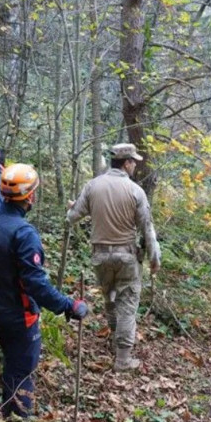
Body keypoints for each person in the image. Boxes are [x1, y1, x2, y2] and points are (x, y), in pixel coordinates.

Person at [0, 152, 89, 422]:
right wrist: (68, 305)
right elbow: (35, 284)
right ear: (31, 197)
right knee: (22, 374)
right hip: (16, 316)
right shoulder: (24, 234)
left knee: (13, 366)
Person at [66, 143, 161, 371]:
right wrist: (154, 258)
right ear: (126, 163)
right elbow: (146, 228)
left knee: (110, 299)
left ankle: (114, 341)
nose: (135, 166)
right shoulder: (135, 191)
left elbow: (72, 217)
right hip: (126, 257)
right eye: (133, 162)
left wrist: (75, 207)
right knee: (127, 304)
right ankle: (123, 358)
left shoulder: (92, 186)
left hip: (100, 256)